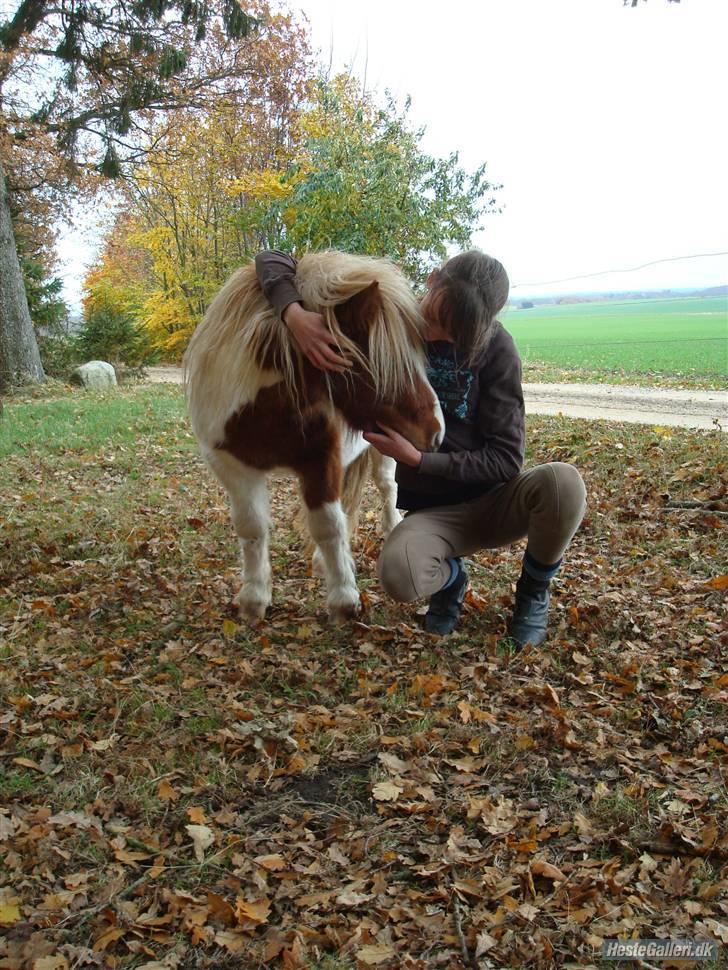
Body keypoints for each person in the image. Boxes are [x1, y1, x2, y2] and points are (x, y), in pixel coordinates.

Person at [255, 249, 586, 645]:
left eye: (455, 329)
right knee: (399, 575)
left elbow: (506, 459)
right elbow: (272, 259)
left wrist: (417, 460)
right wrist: (293, 314)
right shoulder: (392, 323)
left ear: (481, 325)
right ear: (431, 281)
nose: (436, 333)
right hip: (436, 515)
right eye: (434, 315)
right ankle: (451, 581)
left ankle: (533, 591)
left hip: (497, 501)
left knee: (563, 484)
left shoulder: (497, 349)